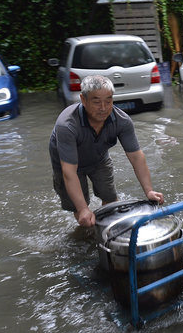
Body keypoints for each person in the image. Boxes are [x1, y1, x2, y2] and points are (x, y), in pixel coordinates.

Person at [49, 75, 163, 227]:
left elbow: (136, 157)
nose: (103, 108)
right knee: (81, 211)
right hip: (67, 164)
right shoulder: (67, 125)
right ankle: (88, 230)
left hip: (99, 158)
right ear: (83, 100)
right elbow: (69, 172)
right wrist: (83, 209)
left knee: (110, 198)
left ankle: (109, 230)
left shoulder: (122, 121)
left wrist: (149, 191)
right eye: (96, 102)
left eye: (108, 101)